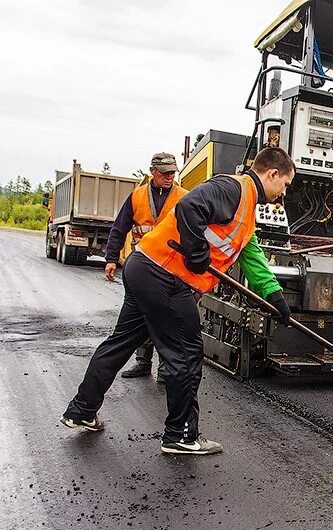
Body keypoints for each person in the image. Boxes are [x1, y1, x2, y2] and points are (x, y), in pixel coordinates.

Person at [60, 147, 296, 455]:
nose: (283, 194)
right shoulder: (232, 188)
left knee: (121, 342)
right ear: (272, 174)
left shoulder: (246, 211)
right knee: (185, 354)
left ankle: (81, 410)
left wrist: (274, 296)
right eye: (285, 185)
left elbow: (251, 257)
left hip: (146, 268)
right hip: (165, 276)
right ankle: (181, 436)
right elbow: (189, 207)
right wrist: (196, 253)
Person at [107, 153, 188, 383]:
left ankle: (165, 368)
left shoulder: (184, 198)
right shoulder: (137, 196)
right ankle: (143, 362)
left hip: (171, 268)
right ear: (152, 171)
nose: (169, 177)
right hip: (142, 266)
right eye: (165, 173)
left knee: (167, 317)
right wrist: (111, 258)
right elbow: (119, 228)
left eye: (173, 172)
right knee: (142, 313)